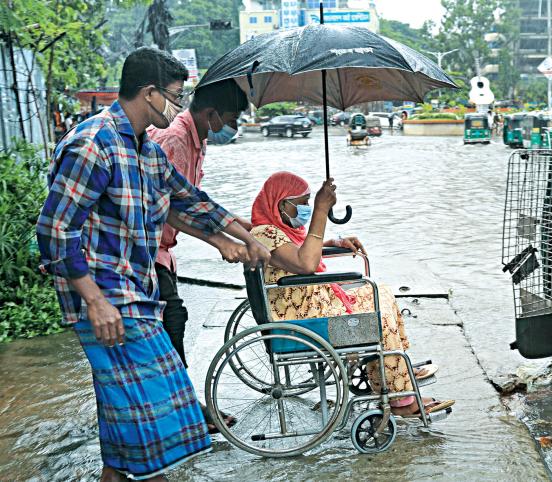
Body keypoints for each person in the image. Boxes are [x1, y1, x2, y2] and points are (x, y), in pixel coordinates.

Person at [36, 47, 270, 482]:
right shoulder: (93, 145)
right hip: (106, 296)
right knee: (167, 408)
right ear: (149, 93)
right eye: (176, 97)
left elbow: (190, 202)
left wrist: (243, 237)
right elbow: (54, 230)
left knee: (125, 410)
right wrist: (94, 302)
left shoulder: (149, 152)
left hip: (138, 286)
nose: (180, 107)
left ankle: (117, 475)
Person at [250, 172, 454, 417]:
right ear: (282, 204)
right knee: (377, 316)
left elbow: (295, 253)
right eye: (302, 203)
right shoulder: (264, 233)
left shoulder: (274, 230)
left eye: (308, 202)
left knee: (382, 294)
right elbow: (305, 264)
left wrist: (333, 242)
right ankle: (400, 396)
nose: (305, 208)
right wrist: (321, 210)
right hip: (304, 320)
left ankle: (397, 373)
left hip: (312, 305)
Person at [147, 78, 250, 433]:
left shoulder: (197, 141)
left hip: (164, 252)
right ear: (211, 114)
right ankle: (183, 409)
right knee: (170, 324)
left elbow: (198, 201)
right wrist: (221, 241)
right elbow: (170, 208)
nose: (231, 128)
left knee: (169, 326)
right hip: (144, 252)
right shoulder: (173, 140)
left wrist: (246, 229)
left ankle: (182, 406)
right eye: (231, 119)